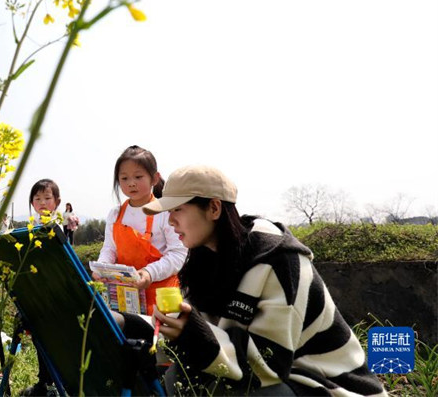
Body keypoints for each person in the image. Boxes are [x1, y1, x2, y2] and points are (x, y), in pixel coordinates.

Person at [141, 165, 386, 396]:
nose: (170, 222)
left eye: (177, 210)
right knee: (179, 377)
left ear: (214, 208)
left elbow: (269, 364)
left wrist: (195, 334)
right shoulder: (203, 261)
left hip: (329, 385)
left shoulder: (279, 260)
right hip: (281, 378)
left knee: (252, 392)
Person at [95, 145, 187, 314]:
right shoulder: (115, 214)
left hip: (162, 298)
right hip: (126, 298)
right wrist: (103, 268)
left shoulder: (165, 213)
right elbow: (109, 249)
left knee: (160, 340)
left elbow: (178, 254)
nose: (131, 183)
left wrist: (149, 273)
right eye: (124, 178)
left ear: (154, 179)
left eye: (138, 177)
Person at [20, 178, 63, 396]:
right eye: (37, 199)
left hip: (55, 291)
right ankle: (43, 382)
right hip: (37, 291)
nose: (42, 203)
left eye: (47, 198)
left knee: (54, 338)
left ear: (57, 201)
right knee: (39, 338)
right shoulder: (31, 226)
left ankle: (55, 383)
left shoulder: (58, 226)